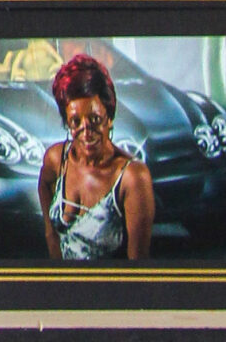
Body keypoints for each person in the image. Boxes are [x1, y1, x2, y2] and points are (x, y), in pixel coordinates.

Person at [38, 52, 154, 263]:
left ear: (109, 118)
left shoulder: (132, 177)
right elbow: (44, 185)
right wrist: (51, 237)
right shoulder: (56, 159)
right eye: (75, 122)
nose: (86, 131)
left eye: (95, 119)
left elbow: (138, 268)